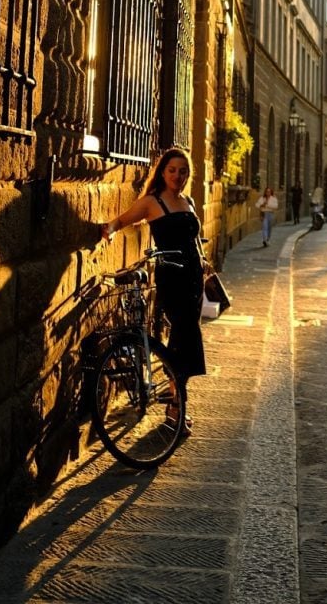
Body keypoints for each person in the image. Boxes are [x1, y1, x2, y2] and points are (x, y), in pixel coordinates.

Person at [101, 147, 205, 437]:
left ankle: (176, 402)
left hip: (194, 278)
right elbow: (123, 220)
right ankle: (175, 406)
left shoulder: (188, 201)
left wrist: (204, 263)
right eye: (172, 170)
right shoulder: (152, 202)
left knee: (184, 340)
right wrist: (107, 229)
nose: (178, 176)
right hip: (172, 277)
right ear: (162, 172)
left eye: (183, 171)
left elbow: (194, 240)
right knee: (183, 339)